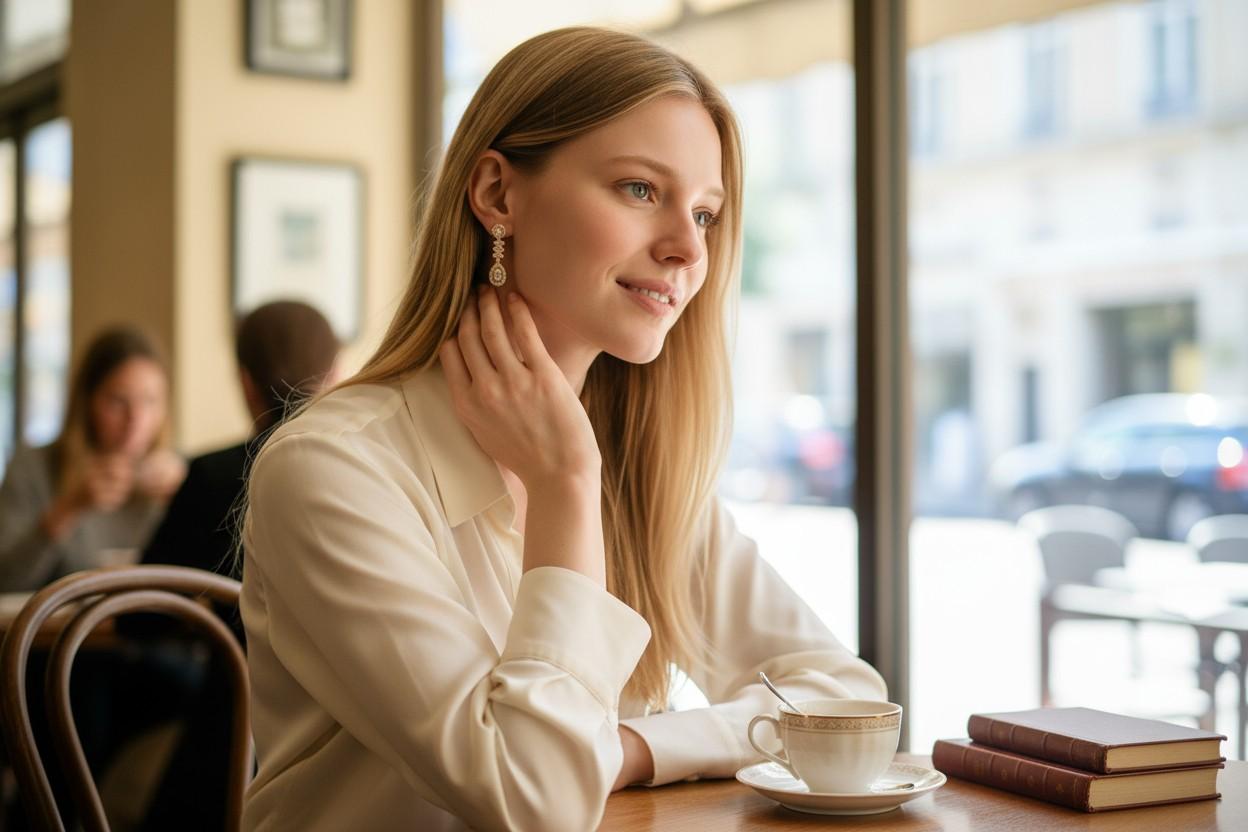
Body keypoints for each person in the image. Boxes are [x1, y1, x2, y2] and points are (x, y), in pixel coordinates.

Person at [240, 27, 885, 832]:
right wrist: (565, 486)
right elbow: (535, 800)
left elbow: (843, 698)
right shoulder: (333, 471)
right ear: (497, 194)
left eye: (706, 213)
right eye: (640, 189)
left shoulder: (637, 465)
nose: (688, 248)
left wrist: (632, 748)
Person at [141, 299, 340, 578]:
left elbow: (145, 596)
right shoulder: (358, 468)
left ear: (245, 383)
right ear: (335, 376)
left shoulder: (209, 476)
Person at [0, 326, 184, 592]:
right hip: (61, 620)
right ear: (87, 401)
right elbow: (6, 581)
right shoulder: (33, 468)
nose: (135, 420)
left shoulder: (177, 475)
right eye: (118, 401)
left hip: (151, 620)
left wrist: (187, 503)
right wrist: (69, 509)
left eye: (149, 401)